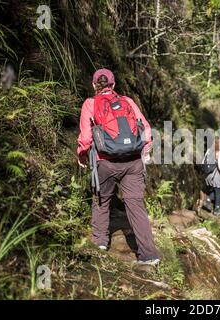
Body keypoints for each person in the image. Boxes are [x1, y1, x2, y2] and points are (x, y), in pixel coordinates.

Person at [77, 68, 160, 266]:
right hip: (133, 162)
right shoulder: (128, 101)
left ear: (94, 85)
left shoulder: (90, 104)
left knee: (101, 199)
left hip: (105, 162)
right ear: (113, 85)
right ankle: (149, 255)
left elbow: (86, 138)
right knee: (136, 205)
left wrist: (81, 155)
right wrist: (144, 152)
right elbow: (146, 130)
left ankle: (100, 243)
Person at [203, 138, 220, 216]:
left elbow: (203, 162)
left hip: (208, 175)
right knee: (219, 191)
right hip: (215, 175)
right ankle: (217, 210)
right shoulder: (219, 153)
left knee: (215, 190)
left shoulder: (209, 151)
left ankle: (207, 199)